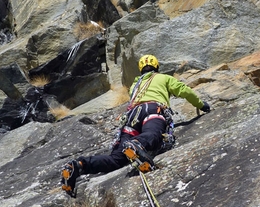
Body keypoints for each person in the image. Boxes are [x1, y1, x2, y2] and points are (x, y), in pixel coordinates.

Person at [61, 55, 210, 197]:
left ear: (141, 69)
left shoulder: (135, 85)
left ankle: (79, 165)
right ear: (156, 66)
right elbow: (184, 90)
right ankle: (137, 144)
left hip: (132, 118)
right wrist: (201, 105)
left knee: (116, 159)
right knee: (154, 134)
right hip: (152, 110)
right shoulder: (164, 78)